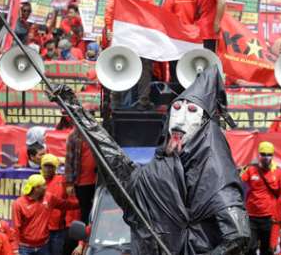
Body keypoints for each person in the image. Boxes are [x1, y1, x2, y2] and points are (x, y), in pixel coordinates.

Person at [55, 65, 249, 254]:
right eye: (176, 109)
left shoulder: (215, 174)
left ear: (205, 126)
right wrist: (76, 112)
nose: (179, 120)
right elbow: (116, 164)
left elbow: (238, 236)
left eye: (191, 111)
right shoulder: (159, 169)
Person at [103, 0, 155, 110]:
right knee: (145, 67)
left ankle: (116, 102)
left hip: (120, 38)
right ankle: (143, 101)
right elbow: (150, 19)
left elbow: (109, 12)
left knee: (120, 67)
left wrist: (109, 29)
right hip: (140, 40)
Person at [12, 174, 79, 255]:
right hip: (25, 248)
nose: (46, 187)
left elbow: (66, 205)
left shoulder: (49, 198)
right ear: (36, 188)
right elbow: (16, 227)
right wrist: (15, 249)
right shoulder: (18, 204)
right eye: (43, 185)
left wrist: (78, 200)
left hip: (43, 246)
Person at [241, 142, 281, 255]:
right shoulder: (251, 169)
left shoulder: (278, 171)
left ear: (273, 155)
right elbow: (238, 182)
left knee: (267, 250)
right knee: (249, 248)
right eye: (263, 154)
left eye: (269, 154)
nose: (266, 157)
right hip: (251, 216)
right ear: (258, 155)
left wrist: (279, 215)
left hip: (269, 217)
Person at [41, 154, 79, 255]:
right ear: (41, 166)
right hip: (41, 230)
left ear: (55, 168)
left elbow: (74, 170)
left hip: (58, 230)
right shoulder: (37, 182)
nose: (48, 169)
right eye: (46, 166)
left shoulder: (62, 180)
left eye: (51, 166)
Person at [64, 122, 97, 224]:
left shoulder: (97, 133)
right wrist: (69, 183)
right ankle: (85, 235)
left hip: (97, 181)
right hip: (81, 182)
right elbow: (69, 160)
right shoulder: (73, 136)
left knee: (98, 210)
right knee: (85, 211)